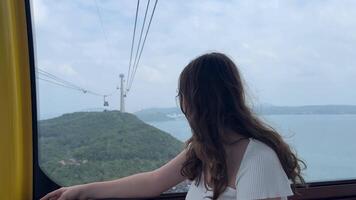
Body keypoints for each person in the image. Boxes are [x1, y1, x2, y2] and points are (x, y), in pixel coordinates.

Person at [41, 52, 306, 200]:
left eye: (183, 96)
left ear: (196, 102)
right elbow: (153, 181)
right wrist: (81, 192)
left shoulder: (258, 160)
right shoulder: (204, 150)